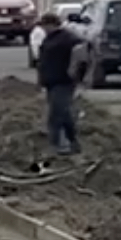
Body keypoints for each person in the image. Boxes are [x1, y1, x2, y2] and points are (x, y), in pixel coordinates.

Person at [32, 9, 83, 156]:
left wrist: (76, 71)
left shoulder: (67, 38)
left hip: (63, 81)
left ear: (52, 24)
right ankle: (72, 143)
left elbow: (83, 51)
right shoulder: (49, 38)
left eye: (44, 25)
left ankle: (56, 145)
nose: (43, 29)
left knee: (56, 114)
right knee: (64, 113)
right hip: (51, 82)